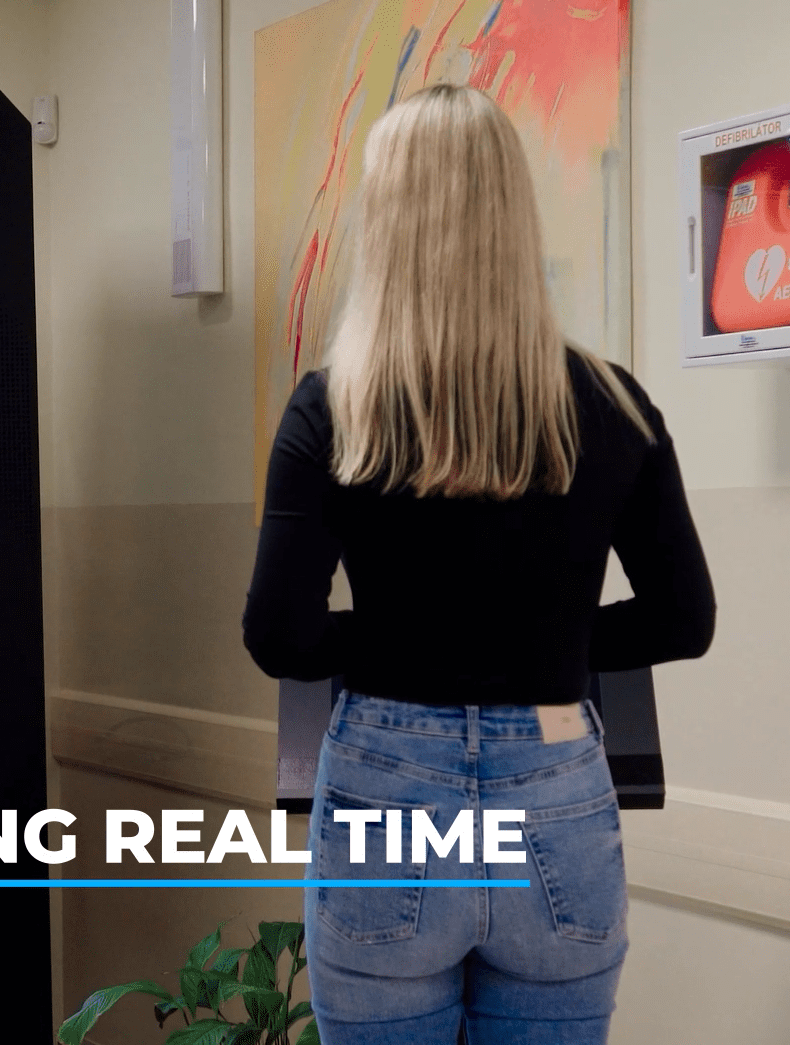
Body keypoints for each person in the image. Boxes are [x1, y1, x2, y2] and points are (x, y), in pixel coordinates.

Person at [242, 85, 714, 1045]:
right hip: (557, 775)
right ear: (513, 212)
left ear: (387, 219)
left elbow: (280, 635)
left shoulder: (333, 407)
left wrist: (400, 638)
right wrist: (546, 639)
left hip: (384, 778)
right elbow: (681, 620)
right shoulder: (610, 403)